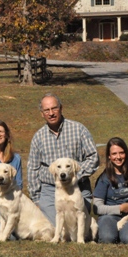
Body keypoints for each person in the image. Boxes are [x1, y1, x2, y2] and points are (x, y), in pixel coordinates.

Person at [27, 92, 100, 226]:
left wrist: (75, 174)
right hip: (50, 189)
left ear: (61, 108)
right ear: (42, 114)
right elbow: (33, 169)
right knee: (57, 229)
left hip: (77, 187)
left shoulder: (79, 129)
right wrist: (36, 200)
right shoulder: (38, 137)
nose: (51, 113)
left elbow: (94, 158)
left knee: (78, 226)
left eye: (54, 108)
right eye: (46, 110)